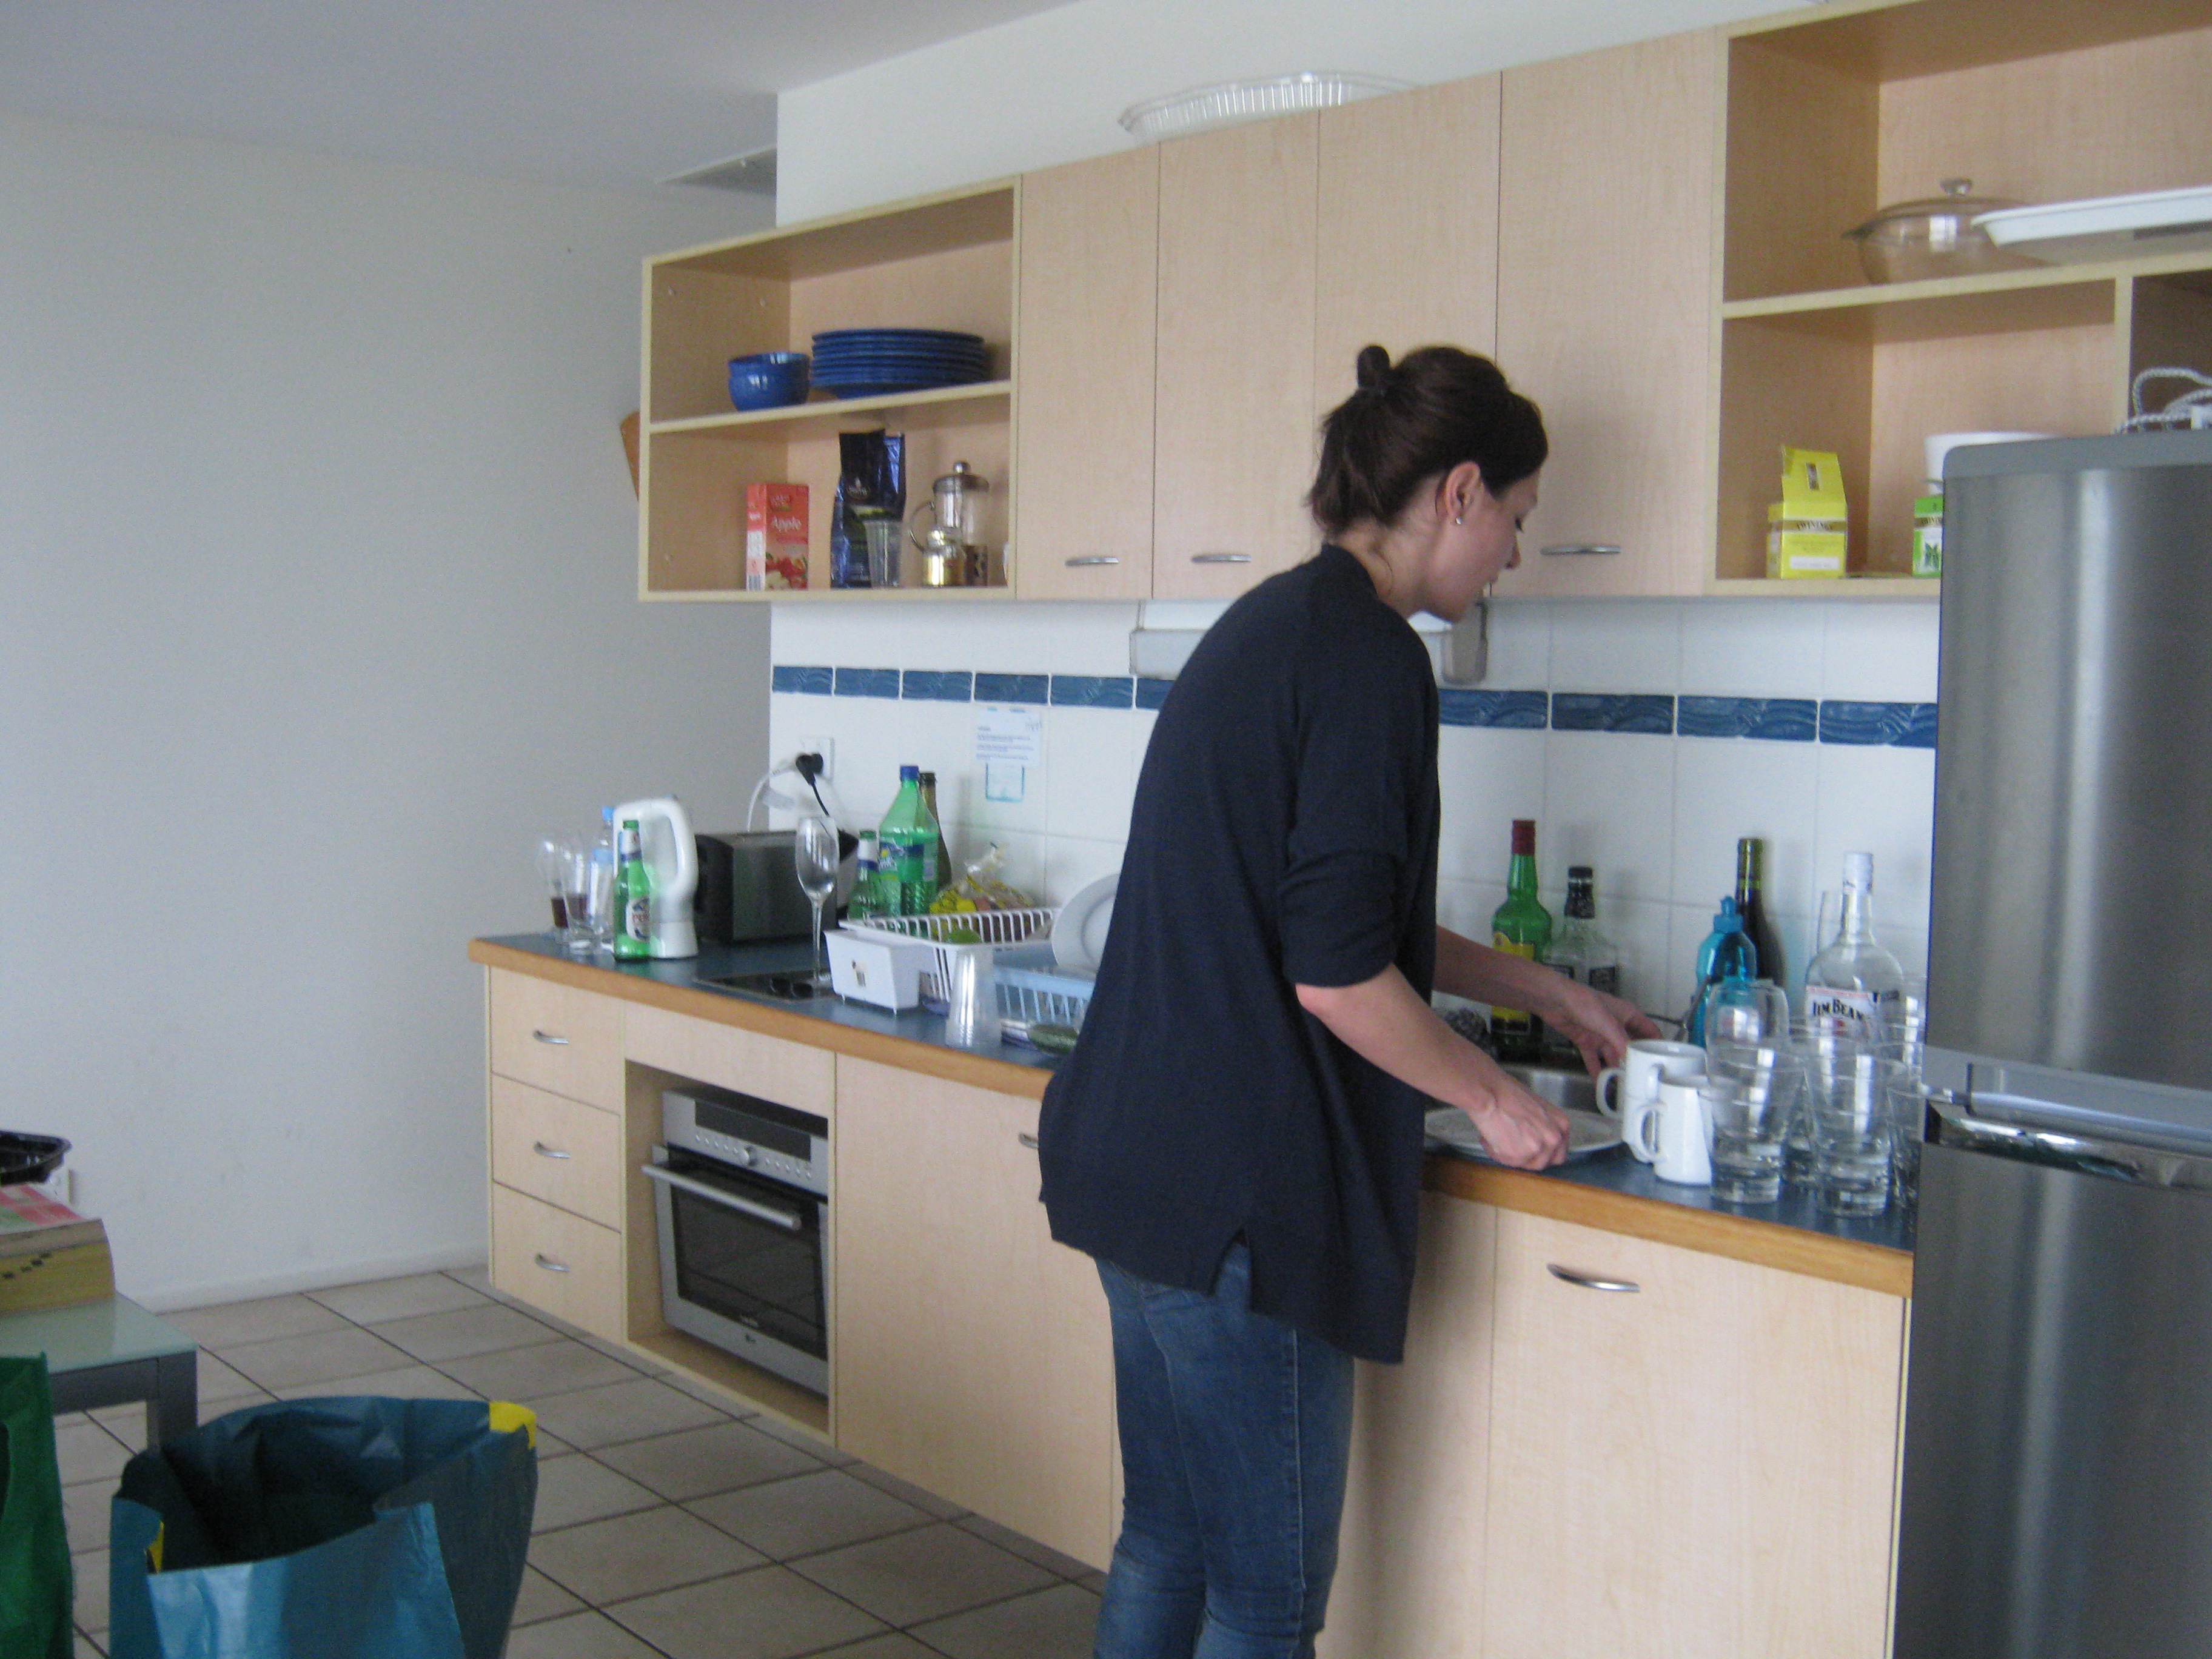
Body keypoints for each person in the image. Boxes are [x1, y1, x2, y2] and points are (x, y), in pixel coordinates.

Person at [1037, 343, 1660, 1659]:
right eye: (1516, 521)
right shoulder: (1373, 661)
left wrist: (1541, 987)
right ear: (1460, 491)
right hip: (1236, 1196)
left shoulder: (1277, 622)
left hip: (1135, 1160)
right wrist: (1495, 1098)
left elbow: (1332, 916)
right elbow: (1335, 978)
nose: (1513, 555)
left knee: (1166, 1543)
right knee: (1263, 1605)